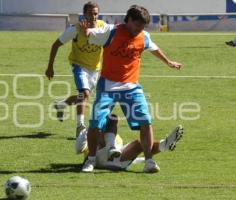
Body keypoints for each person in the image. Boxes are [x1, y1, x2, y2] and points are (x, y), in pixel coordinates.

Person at [79, 5, 183, 173]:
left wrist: (168, 62)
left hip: (132, 87)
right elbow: (91, 34)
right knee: (96, 122)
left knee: (145, 121)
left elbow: (154, 48)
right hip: (108, 86)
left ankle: (149, 162)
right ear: (129, 20)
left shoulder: (143, 36)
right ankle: (90, 160)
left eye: (142, 27)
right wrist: (86, 33)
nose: (139, 30)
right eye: (137, 25)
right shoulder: (111, 32)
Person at [45, 1, 105, 137]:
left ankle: (62, 104)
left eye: (95, 14)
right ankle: (80, 126)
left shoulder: (103, 27)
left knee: (82, 96)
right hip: (79, 65)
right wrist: (50, 67)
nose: (93, 16)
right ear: (84, 15)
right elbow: (55, 45)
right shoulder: (75, 29)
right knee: (84, 94)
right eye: (90, 13)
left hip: (95, 68)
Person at [76, 115, 184, 170]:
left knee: (140, 144)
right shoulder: (92, 131)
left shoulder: (115, 136)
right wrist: (86, 137)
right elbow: (79, 148)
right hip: (97, 159)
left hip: (118, 161)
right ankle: (110, 148)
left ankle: (164, 145)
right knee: (112, 121)